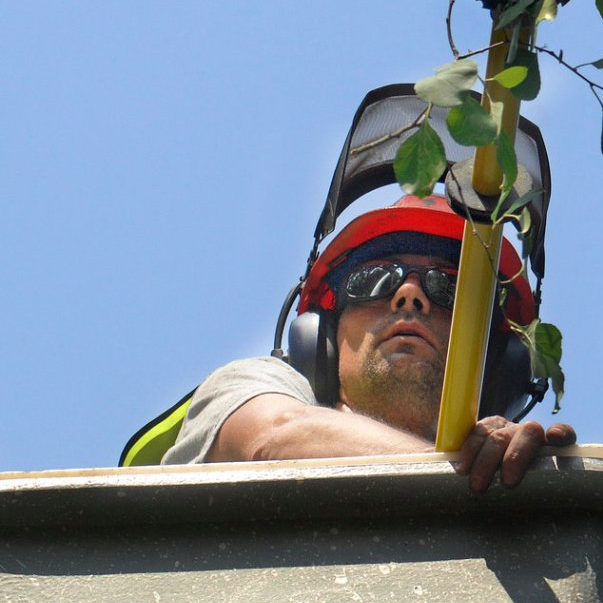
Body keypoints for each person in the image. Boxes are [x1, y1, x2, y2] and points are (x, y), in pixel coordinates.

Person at [161, 195, 576, 491]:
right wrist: (468, 474)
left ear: (500, 363)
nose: (410, 296)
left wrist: (523, 480)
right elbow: (273, 439)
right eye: (374, 280)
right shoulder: (248, 384)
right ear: (322, 336)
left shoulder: (499, 493)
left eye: (449, 288)